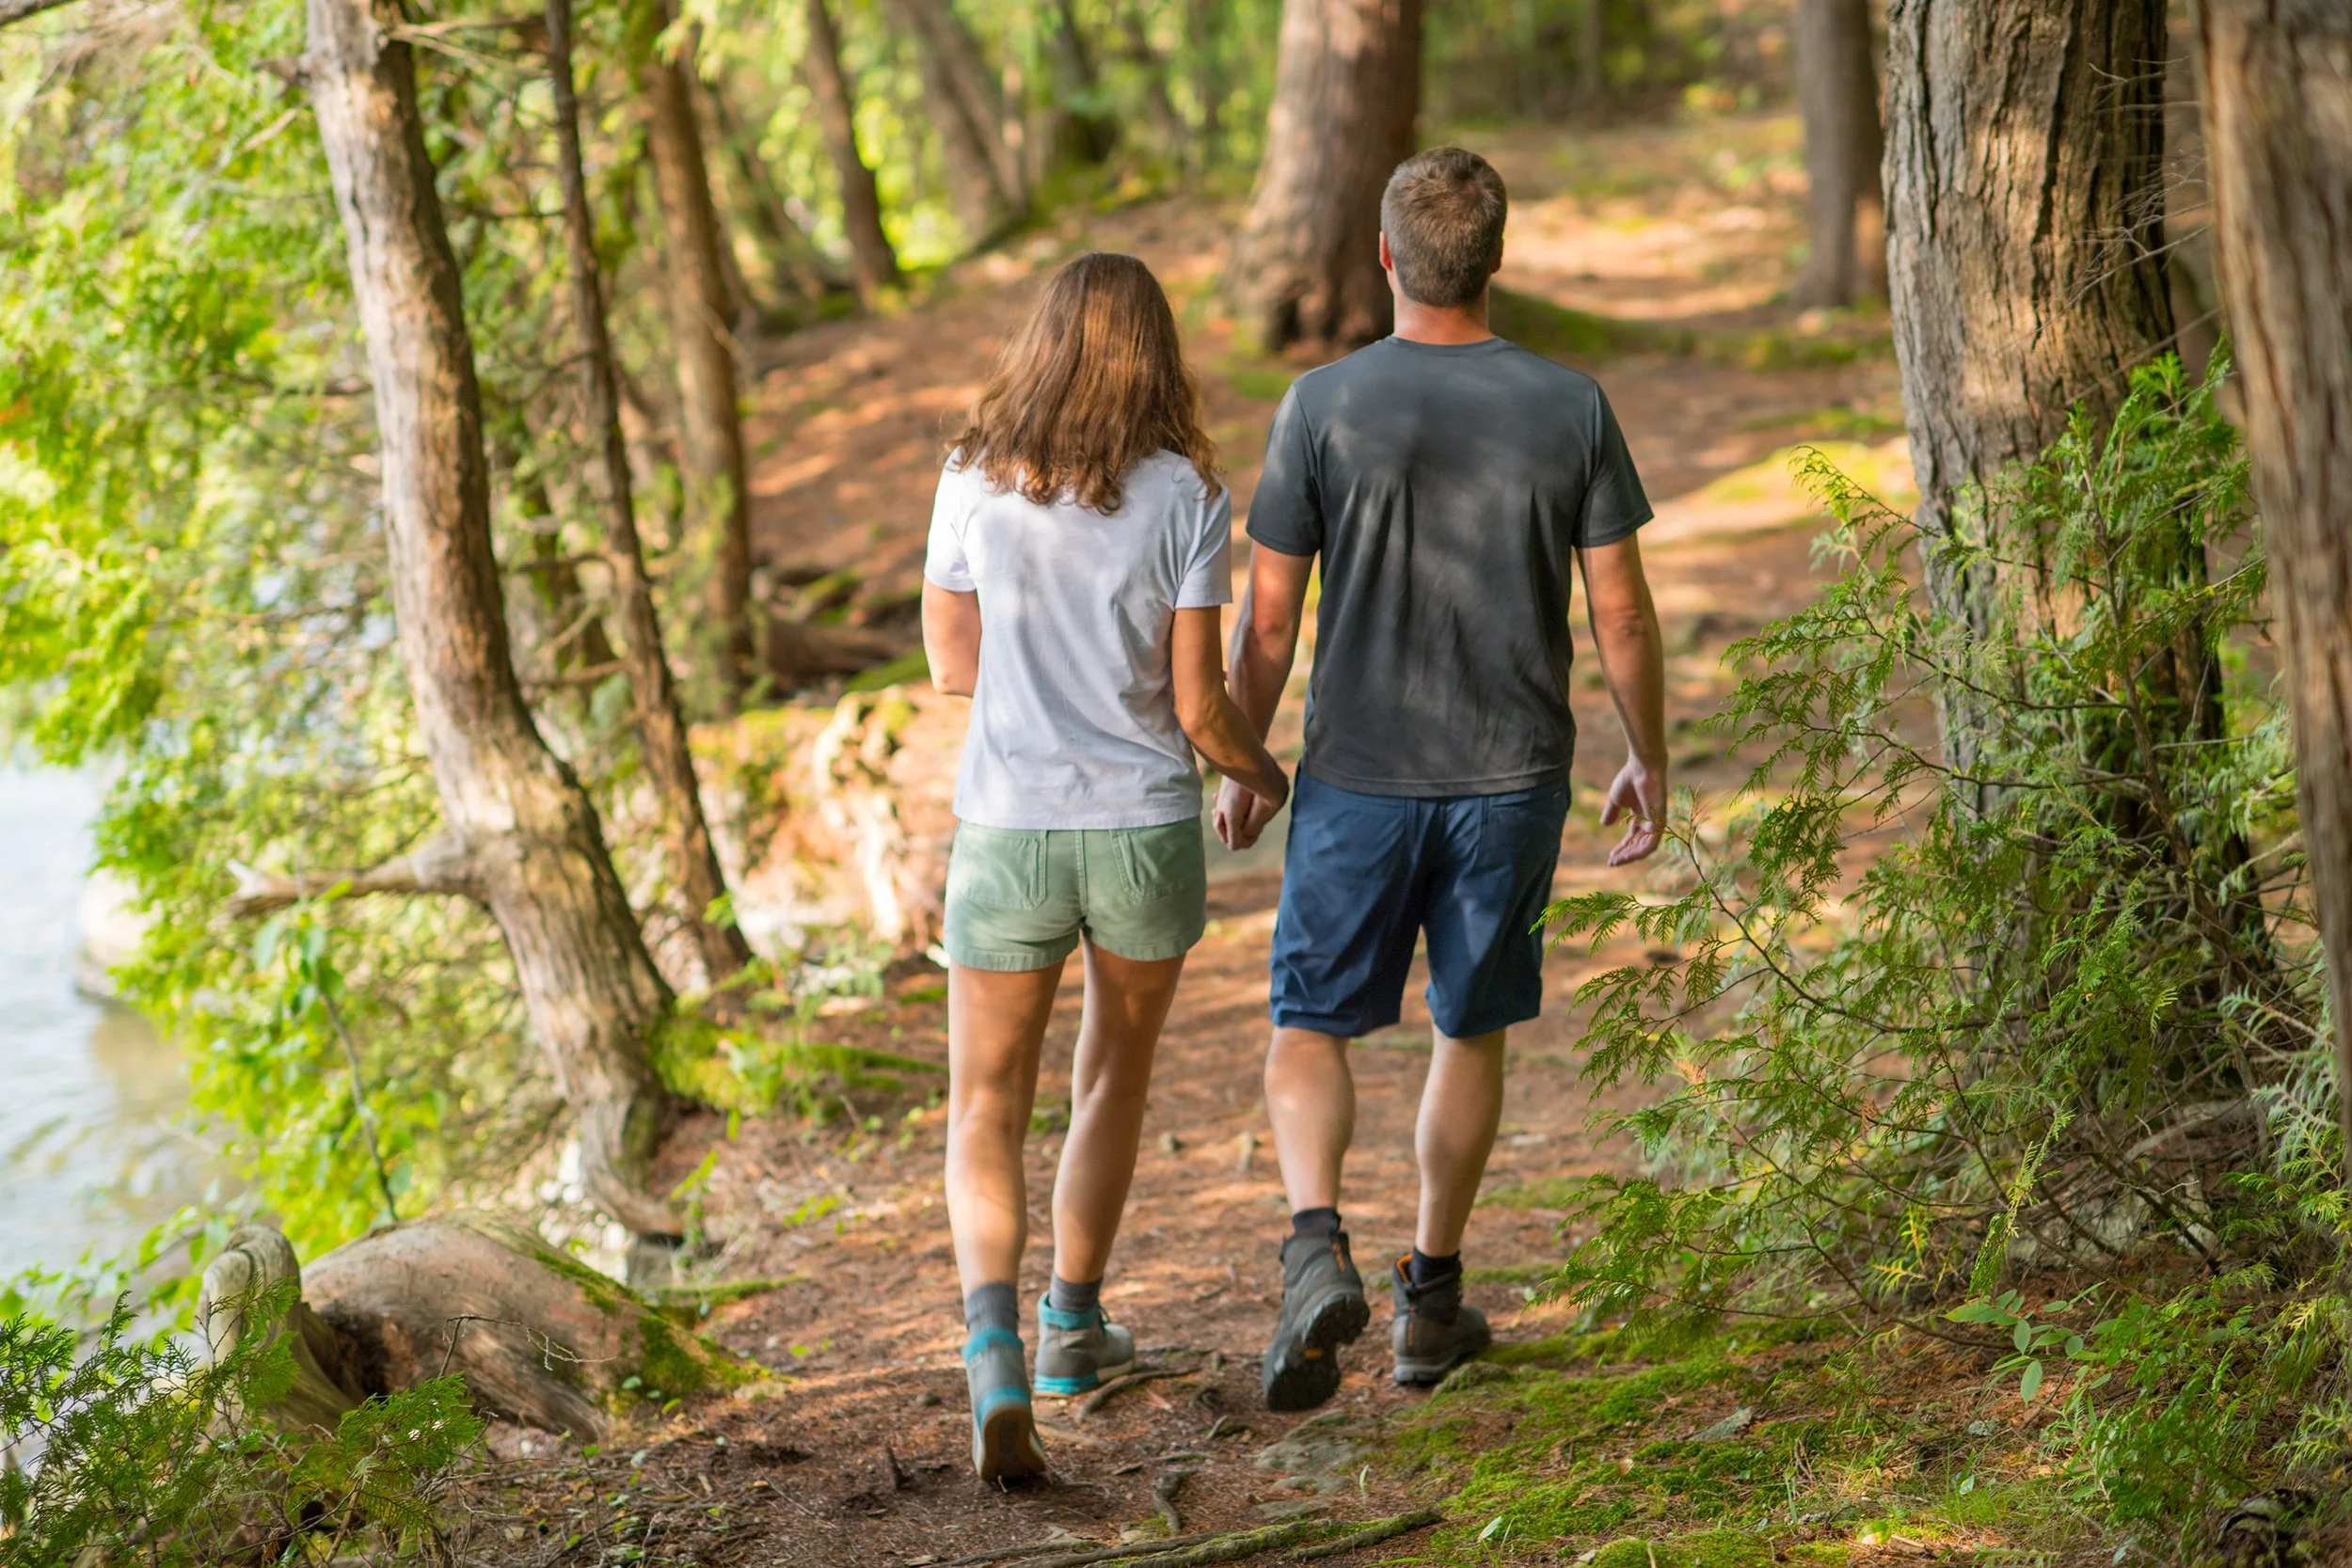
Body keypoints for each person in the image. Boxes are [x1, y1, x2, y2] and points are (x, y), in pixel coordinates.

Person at [1213, 147, 1670, 1409]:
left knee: (1308, 1020)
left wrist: (1248, 759)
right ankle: (1429, 1303)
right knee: (1471, 1027)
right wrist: (1650, 753)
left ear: (1384, 261)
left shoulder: (1318, 405)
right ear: (1498, 259)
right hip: (1511, 778)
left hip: (1358, 775)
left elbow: (1265, 628)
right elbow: (1622, 612)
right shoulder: (1569, 403)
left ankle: (1315, 1244)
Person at [922, 252, 1291, 1481]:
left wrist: (1039, 677)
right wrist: (1263, 772)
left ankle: (992, 1353)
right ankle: (1071, 1326)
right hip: (1140, 824)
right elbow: (1199, 701)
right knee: (1109, 1080)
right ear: (1156, 353)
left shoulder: (972, 475)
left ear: (1042, 343)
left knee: (985, 1101)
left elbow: (950, 664)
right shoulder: (1188, 492)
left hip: (1010, 825)